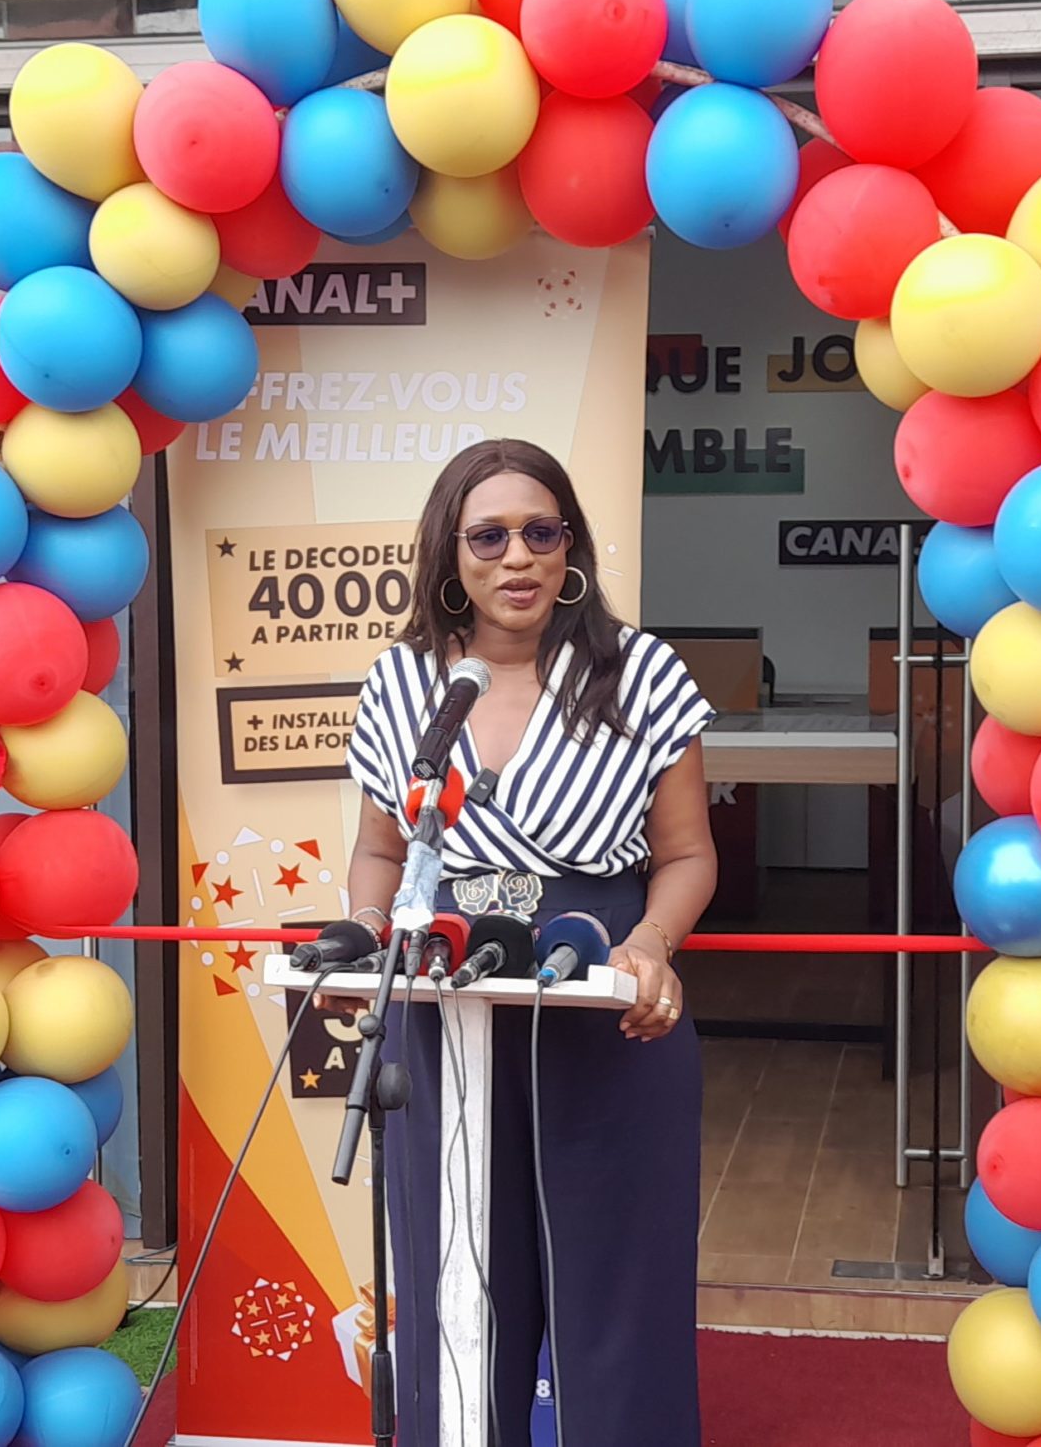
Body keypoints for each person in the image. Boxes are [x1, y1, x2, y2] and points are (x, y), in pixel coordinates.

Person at [343, 437, 718, 1446]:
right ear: (448, 553)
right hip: (444, 1011)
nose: (518, 557)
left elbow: (688, 854)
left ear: (570, 547)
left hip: (605, 1008)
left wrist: (650, 945)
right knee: (455, 1289)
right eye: (490, 536)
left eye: (541, 533)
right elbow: (379, 853)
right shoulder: (402, 684)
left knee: (617, 1299)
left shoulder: (639, 672)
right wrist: (369, 932)